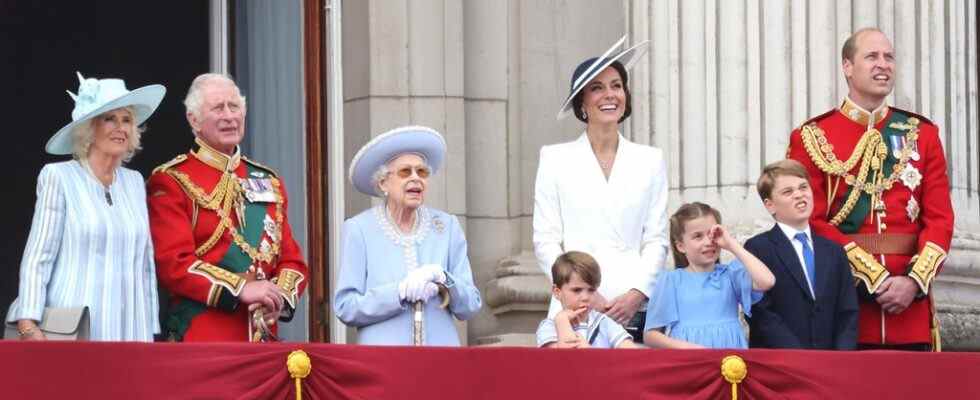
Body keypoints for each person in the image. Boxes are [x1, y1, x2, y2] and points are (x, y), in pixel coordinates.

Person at [787, 28, 954, 351]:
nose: (883, 65)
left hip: (910, 311)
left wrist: (914, 282)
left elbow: (940, 219)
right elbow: (810, 220)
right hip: (847, 307)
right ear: (847, 66)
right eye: (872, 56)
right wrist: (874, 278)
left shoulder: (923, 135)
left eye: (889, 57)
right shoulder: (812, 136)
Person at [147, 73, 308, 342]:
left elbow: (292, 261)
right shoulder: (172, 179)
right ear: (193, 120)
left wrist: (275, 297)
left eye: (234, 107)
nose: (229, 116)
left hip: (262, 335)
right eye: (217, 108)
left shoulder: (267, 180)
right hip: (203, 335)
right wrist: (241, 288)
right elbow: (174, 264)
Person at [6, 72, 165, 341]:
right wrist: (28, 324)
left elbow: (145, 263)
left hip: (130, 331)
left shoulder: (135, 182)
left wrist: (150, 327)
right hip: (74, 331)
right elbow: (38, 256)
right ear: (89, 128)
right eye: (109, 118)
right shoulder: (59, 177)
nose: (120, 127)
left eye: (126, 119)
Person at [533, 35, 669, 342]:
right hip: (574, 307)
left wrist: (637, 292)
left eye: (616, 85)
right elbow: (546, 240)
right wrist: (583, 291)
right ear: (582, 100)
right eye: (597, 87)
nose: (610, 95)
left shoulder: (650, 159)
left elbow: (656, 239)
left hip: (632, 305)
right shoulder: (554, 158)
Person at [334, 126, 482, 346]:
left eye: (422, 172)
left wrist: (444, 279)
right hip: (383, 362)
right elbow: (346, 307)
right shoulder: (360, 229)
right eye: (405, 172)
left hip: (440, 360)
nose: (416, 178)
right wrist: (397, 292)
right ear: (383, 182)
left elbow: (471, 304)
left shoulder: (447, 227)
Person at [744, 159, 858, 350]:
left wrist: (842, 356)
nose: (799, 195)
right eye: (788, 192)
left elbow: (847, 310)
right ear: (770, 205)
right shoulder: (758, 248)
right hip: (782, 362)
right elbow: (760, 311)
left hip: (831, 362)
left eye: (803, 187)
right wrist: (798, 356)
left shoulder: (833, 250)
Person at [643, 202, 775, 349]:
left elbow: (767, 281)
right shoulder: (671, 281)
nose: (708, 242)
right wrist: (691, 349)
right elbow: (651, 336)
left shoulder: (730, 274)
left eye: (712, 234)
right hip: (689, 361)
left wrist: (731, 244)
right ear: (680, 245)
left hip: (730, 361)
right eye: (698, 236)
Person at [536, 251, 640, 349]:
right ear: (557, 292)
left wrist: (590, 352)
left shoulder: (605, 323)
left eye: (591, 290)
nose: (585, 297)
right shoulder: (549, 327)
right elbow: (561, 359)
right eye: (577, 290)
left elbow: (632, 353)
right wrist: (562, 321)